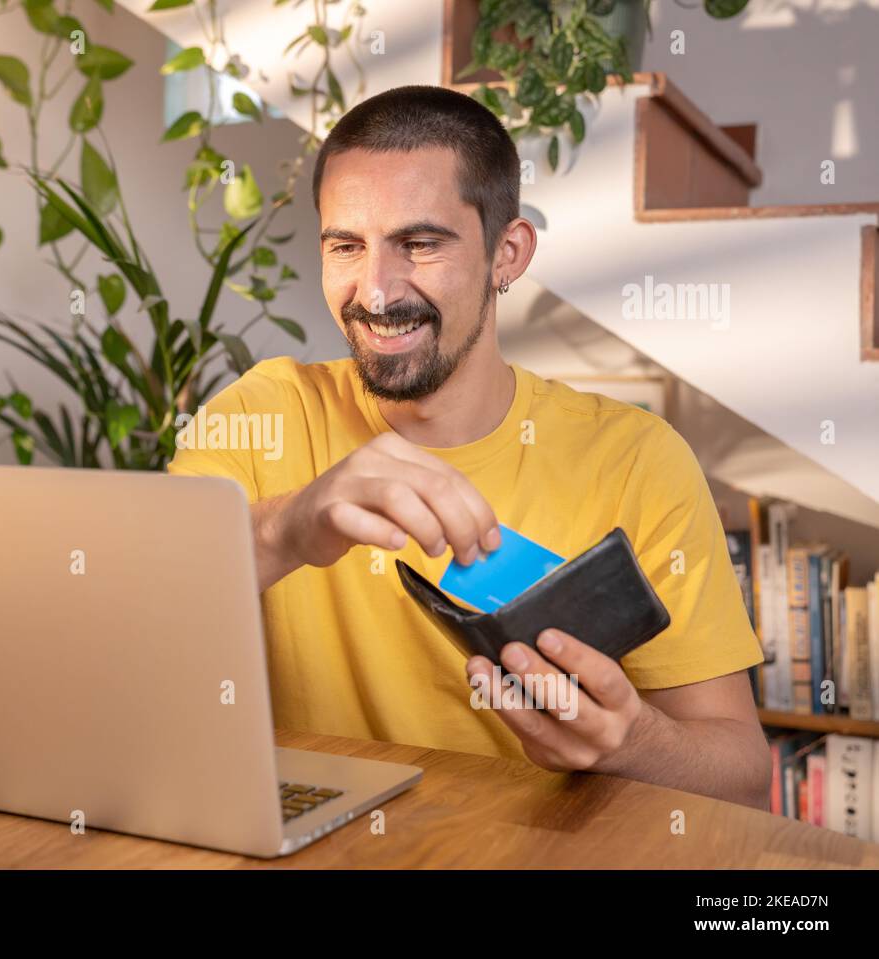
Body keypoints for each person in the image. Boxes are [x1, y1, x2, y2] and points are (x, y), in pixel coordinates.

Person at [167, 85, 770, 809]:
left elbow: (741, 771)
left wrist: (630, 743)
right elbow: (130, 604)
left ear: (506, 253)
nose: (378, 291)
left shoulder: (638, 457)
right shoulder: (268, 410)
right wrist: (290, 524)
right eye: (346, 246)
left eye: (419, 244)